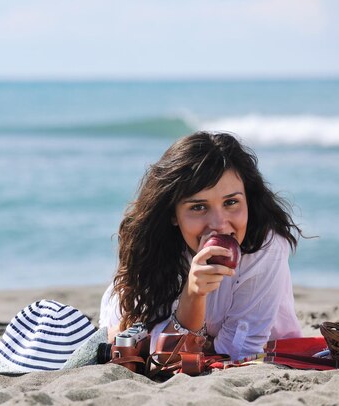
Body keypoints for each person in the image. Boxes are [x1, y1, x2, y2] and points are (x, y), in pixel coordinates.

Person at [99, 131, 303, 360]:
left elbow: (240, 350)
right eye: (198, 207)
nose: (219, 224)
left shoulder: (265, 247)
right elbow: (124, 335)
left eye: (231, 202)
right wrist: (193, 295)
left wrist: (179, 331)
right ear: (173, 213)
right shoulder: (155, 248)